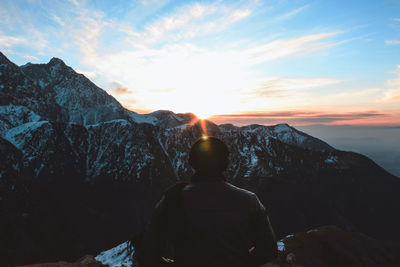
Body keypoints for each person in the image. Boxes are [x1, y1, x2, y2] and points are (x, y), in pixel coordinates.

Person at [136, 136, 278, 267]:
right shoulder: (249, 200)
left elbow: (148, 252)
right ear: (226, 163)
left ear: (191, 162)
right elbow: (268, 250)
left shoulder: (172, 199)